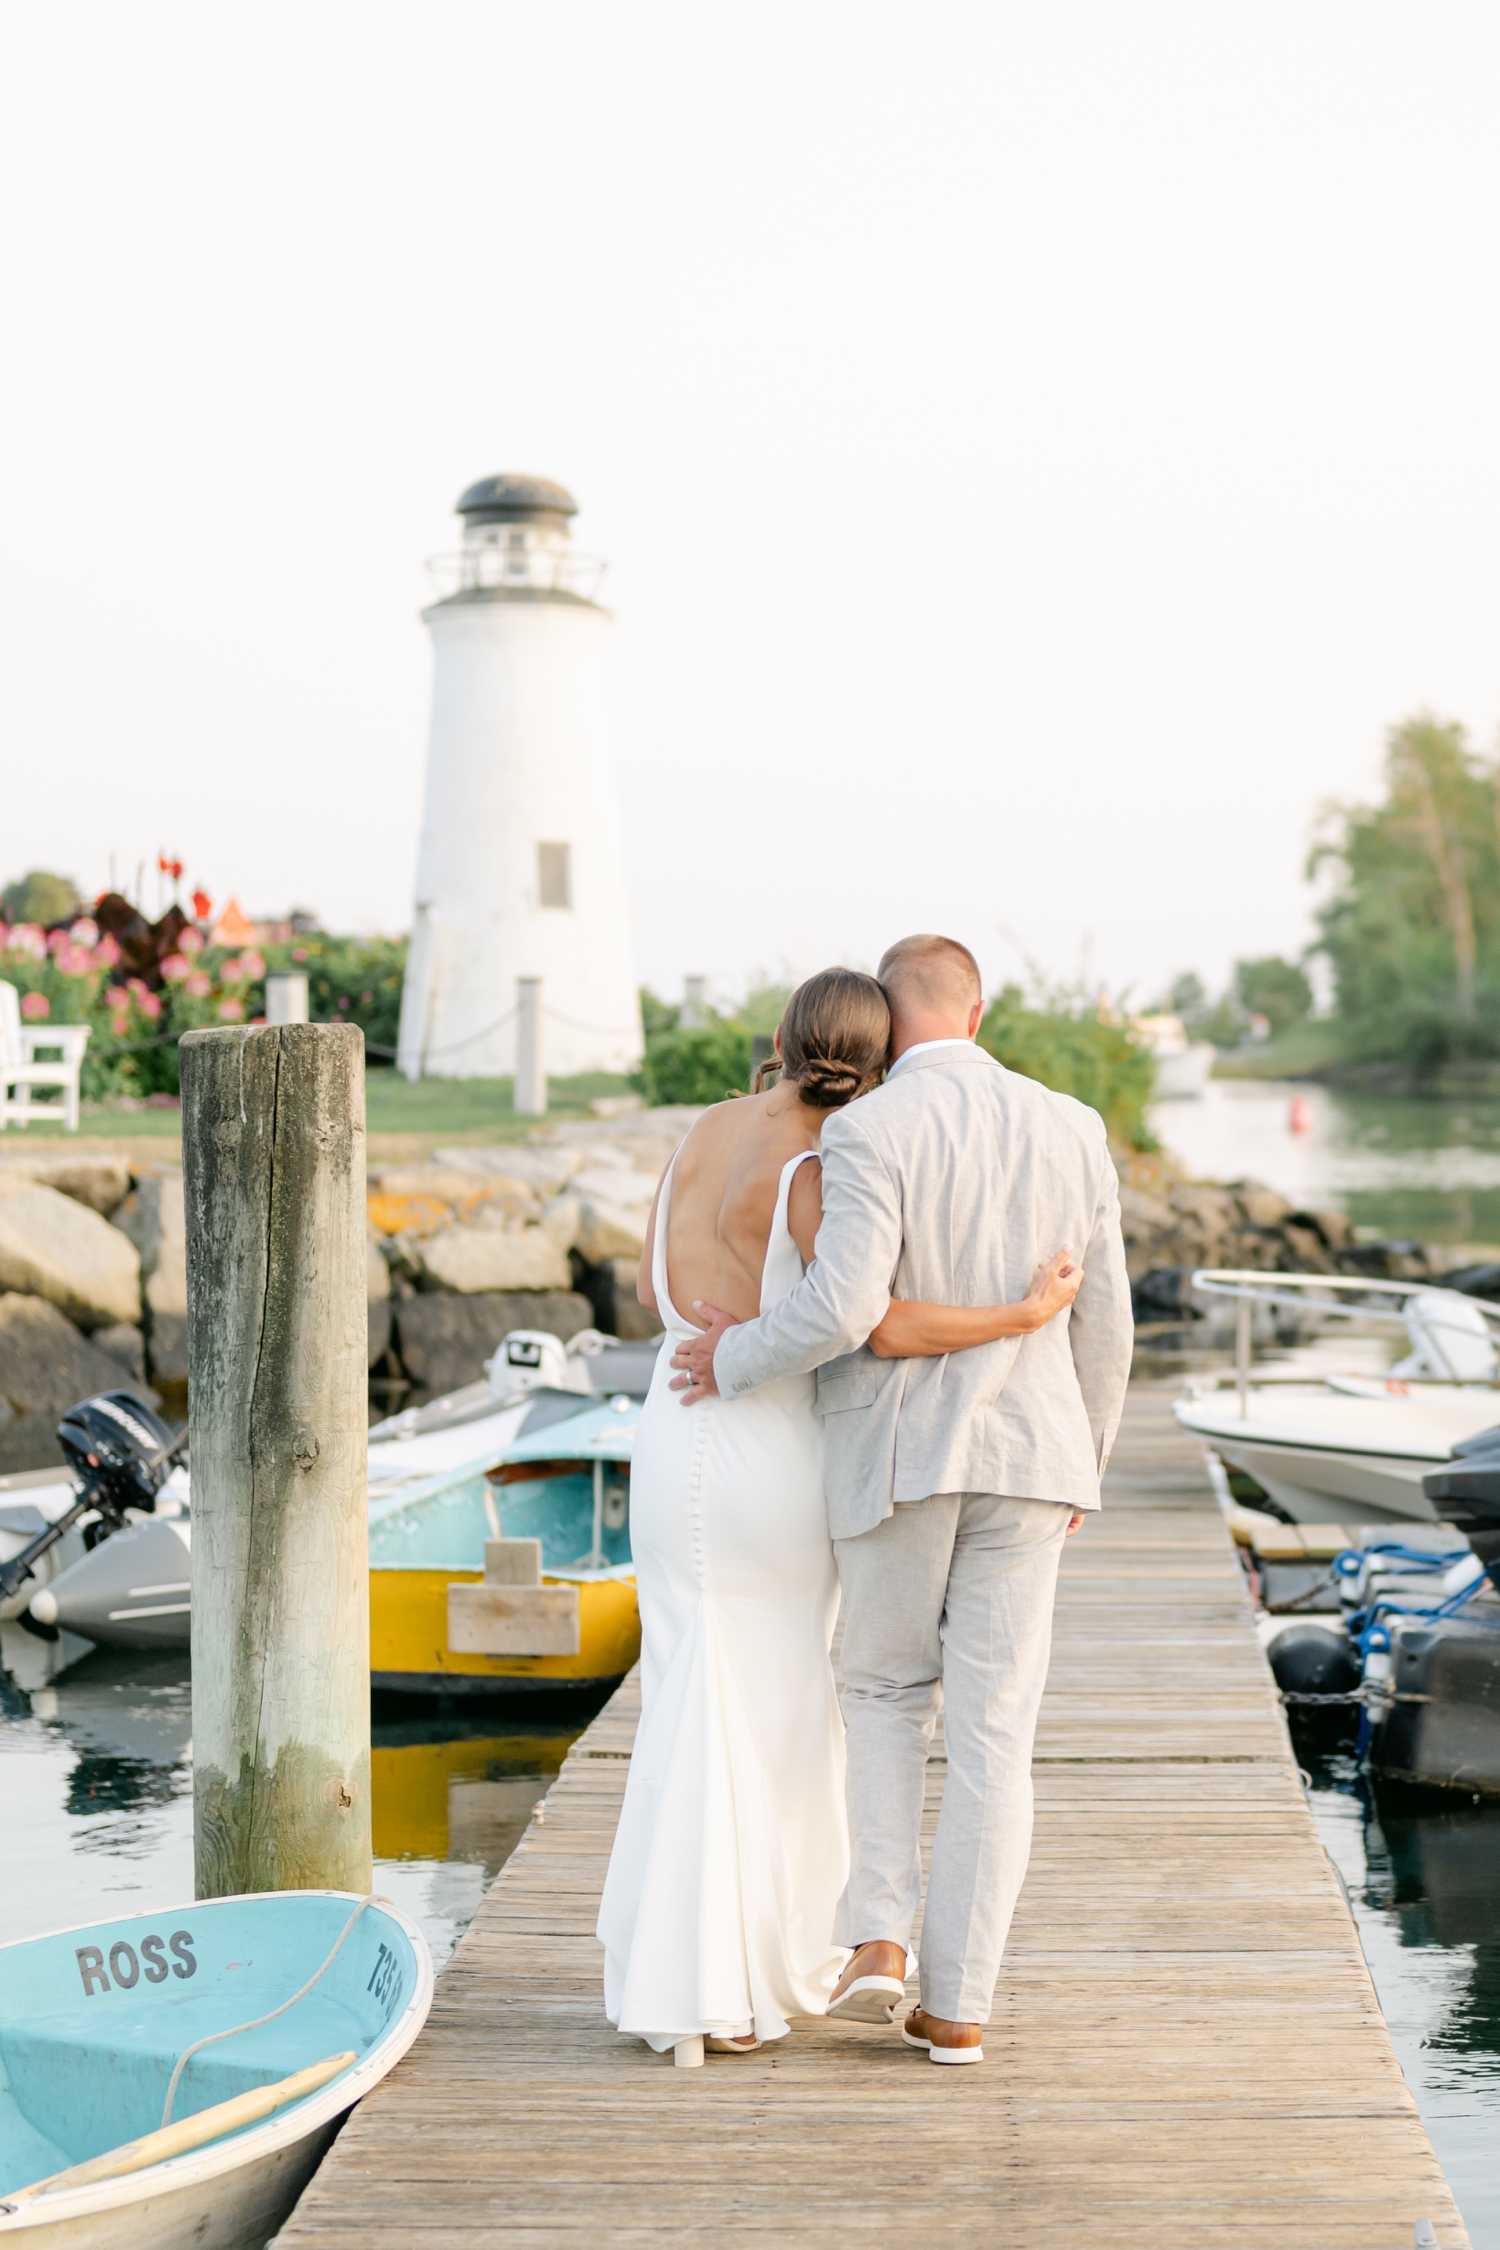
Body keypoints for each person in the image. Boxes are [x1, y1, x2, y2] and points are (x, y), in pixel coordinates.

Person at [597, 965, 1088, 2066]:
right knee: (773, 1704)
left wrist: (715, 1326)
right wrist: (1019, 1312)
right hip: (764, 1445)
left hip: (672, 1429)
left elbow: (648, 1289)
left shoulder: (701, 1133)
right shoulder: (821, 1164)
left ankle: (681, 1978)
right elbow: (871, 1320)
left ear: (780, 1035)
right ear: (872, 1063)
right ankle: (733, 1986)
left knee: (691, 1692)